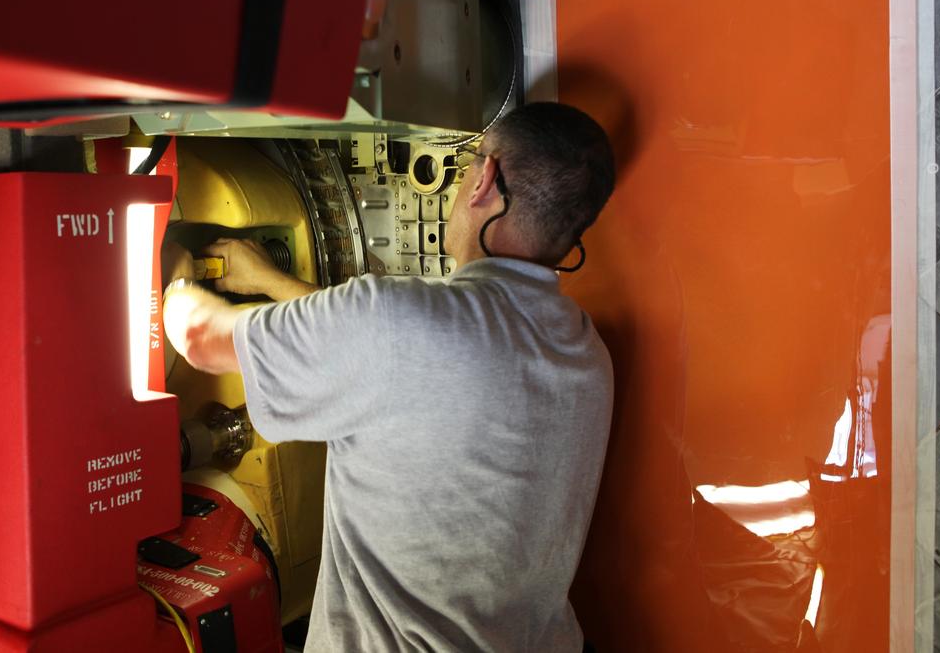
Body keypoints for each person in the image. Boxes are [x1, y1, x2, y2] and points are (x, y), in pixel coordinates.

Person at [162, 102, 617, 652]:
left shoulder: (399, 326)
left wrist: (176, 276)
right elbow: (392, 353)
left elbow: (201, 339)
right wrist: (272, 281)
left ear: (486, 179)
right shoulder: (584, 352)